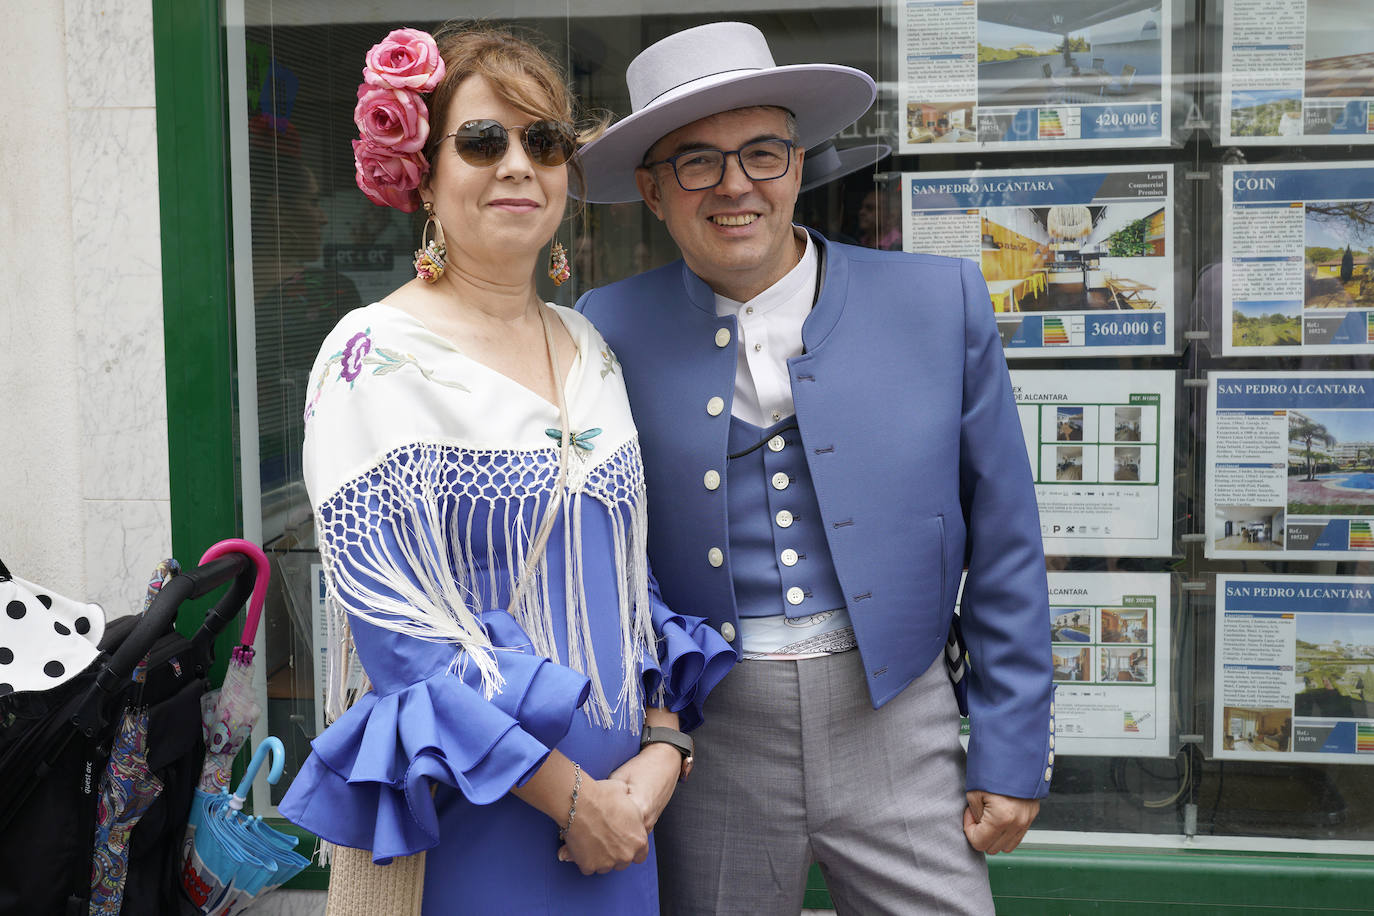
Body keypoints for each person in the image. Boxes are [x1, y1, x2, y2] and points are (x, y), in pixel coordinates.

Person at [575, 22, 1053, 914]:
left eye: (763, 152)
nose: (735, 186)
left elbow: (1007, 546)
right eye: (696, 162)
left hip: (899, 716)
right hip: (706, 740)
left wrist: (1012, 746)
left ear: (798, 163)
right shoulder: (601, 329)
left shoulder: (936, 301)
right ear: (651, 189)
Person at [278, 23, 733, 914]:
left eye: (545, 141)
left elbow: (625, 576)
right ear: (424, 172)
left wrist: (662, 749)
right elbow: (402, 637)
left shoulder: (587, 344)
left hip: (625, 805)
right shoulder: (371, 356)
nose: (519, 165)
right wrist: (576, 798)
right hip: (484, 800)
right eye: (484, 141)